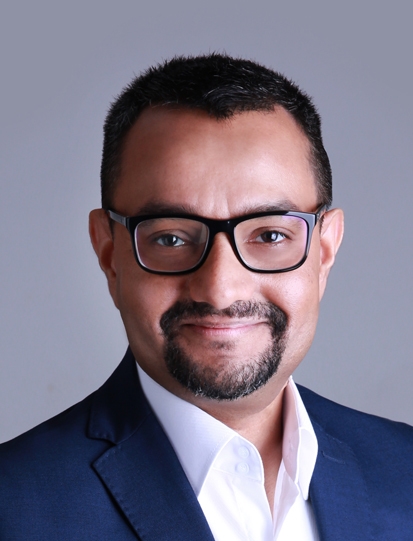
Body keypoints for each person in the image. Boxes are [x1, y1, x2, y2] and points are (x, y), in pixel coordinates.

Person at [1, 54, 412, 541]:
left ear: (324, 251)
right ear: (109, 253)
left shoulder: (404, 471)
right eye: (171, 238)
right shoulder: (14, 507)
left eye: (270, 235)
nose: (220, 289)